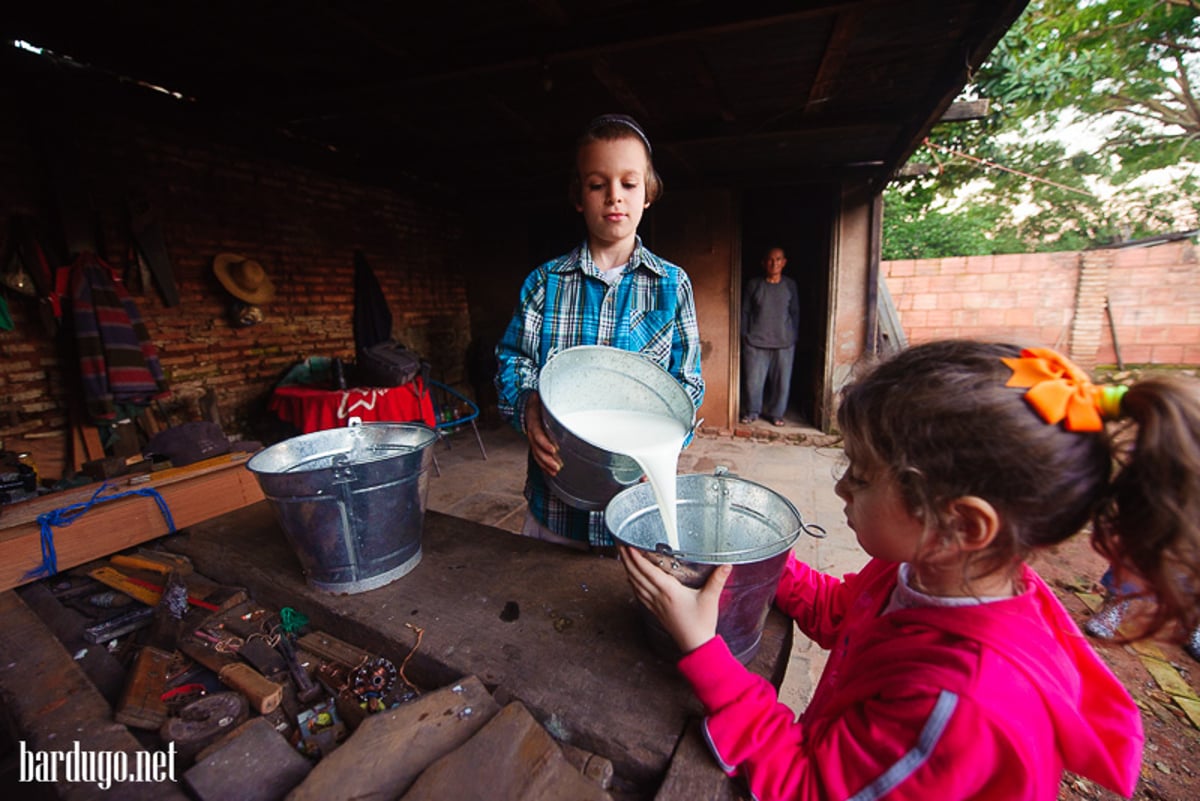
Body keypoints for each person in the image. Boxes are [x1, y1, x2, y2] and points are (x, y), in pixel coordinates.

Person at [621, 340, 1200, 800]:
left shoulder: (960, 701)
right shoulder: (924, 573)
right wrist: (756, 561)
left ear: (964, 526)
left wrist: (703, 651)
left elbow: (810, 786)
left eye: (864, 476)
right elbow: (844, 615)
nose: (841, 486)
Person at [494, 114, 705, 551]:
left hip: (635, 512)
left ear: (648, 193)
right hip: (555, 512)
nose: (614, 196)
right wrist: (527, 405)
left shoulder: (671, 285)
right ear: (578, 196)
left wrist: (663, 448)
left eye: (629, 183)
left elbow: (687, 383)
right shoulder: (544, 283)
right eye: (597, 184)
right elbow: (513, 361)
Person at [740, 246, 799, 426]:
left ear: (784, 263)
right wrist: (745, 336)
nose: (774, 263)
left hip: (783, 343)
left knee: (782, 383)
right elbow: (745, 312)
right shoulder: (754, 285)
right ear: (764, 263)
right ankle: (752, 411)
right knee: (753, 382)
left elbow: (795, 313)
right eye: (771, 260)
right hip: (756, 342)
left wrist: (792, 336)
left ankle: (776, 413)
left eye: (778, 259)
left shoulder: (790, 285)